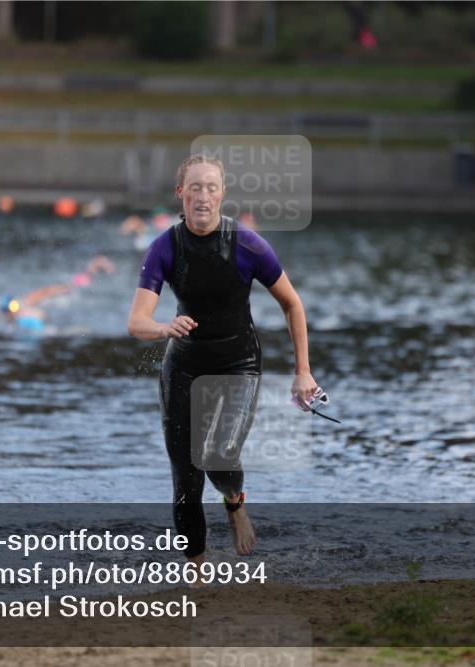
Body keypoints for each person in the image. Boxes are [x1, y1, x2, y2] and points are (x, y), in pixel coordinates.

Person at [127, 154, 319, 569]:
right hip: (183, 366)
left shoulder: (248, 244)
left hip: (238, 363)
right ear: (181, 194)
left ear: (222, 194)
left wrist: (302, 372)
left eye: (211, 187)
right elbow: (137, 321)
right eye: (194, 187)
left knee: (219, 455)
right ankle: (196, 577)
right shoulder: (165, 247)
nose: (203, 196)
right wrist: (164, 329)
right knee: (186, 479)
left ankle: (235, 502)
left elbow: (292, 304)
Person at [1, 255, 115, 330]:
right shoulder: (20, 313)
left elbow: (45, 292)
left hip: (65, 291)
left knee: (74, 286)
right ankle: (95, 266)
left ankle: (95, 266)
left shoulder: (28, 302)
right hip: (64, 293)